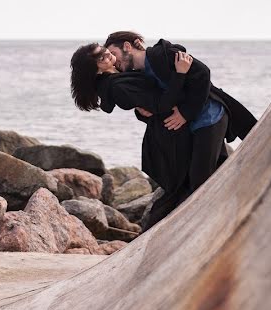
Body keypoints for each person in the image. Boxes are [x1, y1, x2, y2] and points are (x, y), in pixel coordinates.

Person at [102, 32, 257, 227]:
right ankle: (237, 214)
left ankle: (216, 223)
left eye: (113, 52)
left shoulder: (163, 54)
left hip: (210, 116)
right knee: (217, 171)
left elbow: (203, 74)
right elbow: (156, 102)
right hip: (190, 127)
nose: (113, 60)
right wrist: (143, 112)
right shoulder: (136, 75)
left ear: (127, 46)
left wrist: (184, 113)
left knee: (200, 179)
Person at [70, 42, 199, 231]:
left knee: (181, 188)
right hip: (169, 136)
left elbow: (151, 89)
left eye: (103, 50)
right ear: (95, 70)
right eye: (100, 57)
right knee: (178, 191)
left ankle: (156, 235)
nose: (106, 54)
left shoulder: (120, 75)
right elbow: (160, 104)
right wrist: (181, 74)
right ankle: (151, 237)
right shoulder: (116, 86)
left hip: (170, 131)